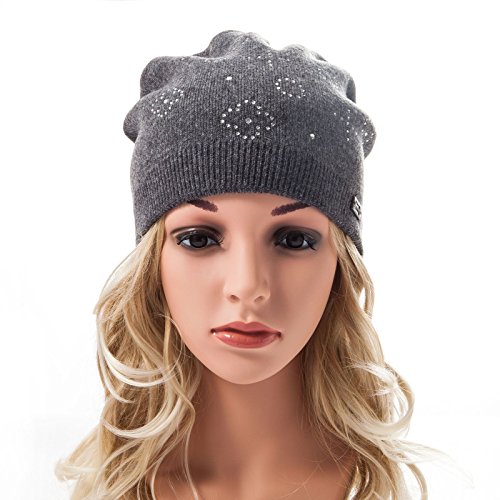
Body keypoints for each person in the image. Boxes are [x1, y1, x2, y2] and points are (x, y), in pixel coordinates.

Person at [55, 29, 441, 499]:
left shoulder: (369, 483)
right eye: (198, 239)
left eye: (294, 240)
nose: (248, 285)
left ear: (341, 265)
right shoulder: (113, 482)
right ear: (153, 262)